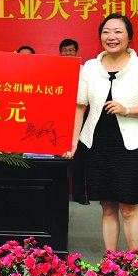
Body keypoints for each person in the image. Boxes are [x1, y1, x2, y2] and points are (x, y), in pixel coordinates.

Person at [64, 13, 138, 251]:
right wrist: (73, 141)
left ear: (129, 37)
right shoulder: (90, 66)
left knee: (129, 208)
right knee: (107, 207)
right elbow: (80, 106)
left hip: (130, 146)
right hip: (97, 144)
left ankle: (133, 262)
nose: (111, 37)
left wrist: (126, 109)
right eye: (106, 32)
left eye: (118, 31)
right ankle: (111, 261)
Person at [59, 38, 89, 205]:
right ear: (60, 53)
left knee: (80, 155)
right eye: (65, 50)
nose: (68, 53)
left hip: (80, 114)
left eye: (71, 50)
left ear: (76, 52)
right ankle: (58, 192)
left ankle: (79, 193)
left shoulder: (85, 72)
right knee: (58, 154)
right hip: (59, 115)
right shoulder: (54, 69)